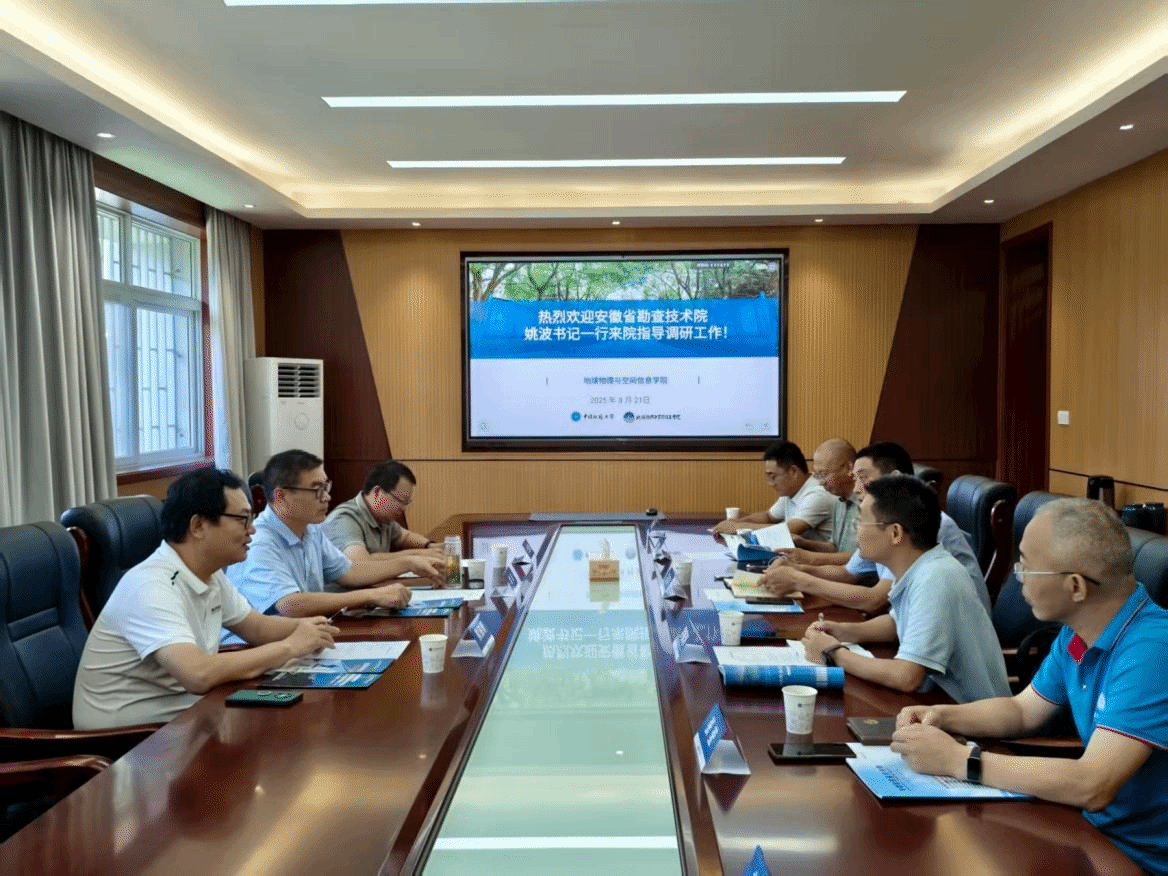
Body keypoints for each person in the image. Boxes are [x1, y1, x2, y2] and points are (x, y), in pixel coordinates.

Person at [891, 498, 1168, 875]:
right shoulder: (1077, 633)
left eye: (1026, 566)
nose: (1018, 577)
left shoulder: (1153, 650)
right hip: (1092, 833)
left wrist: (959, 760)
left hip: (1143, 858)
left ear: (1075, 586)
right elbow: (1023, 711)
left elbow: (1092, 785)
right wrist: (942, 715)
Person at [72, 467, 338, 730]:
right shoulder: (150, 586)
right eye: (242, 519)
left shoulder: (209, 574)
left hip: (183, 714)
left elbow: (257, 627)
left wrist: (309, 629)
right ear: (198, 526)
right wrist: (291, 646)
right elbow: (198, 674)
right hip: (129, 738)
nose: (252, 530)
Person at [800, 474, 1009, 704]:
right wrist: (844, 631)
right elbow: (898, 623)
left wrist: (833, 653)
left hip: (970, 716)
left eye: (860, 521)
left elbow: (906, 676)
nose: (856, 531)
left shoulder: (935, 578)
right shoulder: (921, 567)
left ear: (895, 533)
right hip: (936, 705)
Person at [760, 441, 988, 614]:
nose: (856, 489)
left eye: (863, 478)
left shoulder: (922, 524)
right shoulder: (888, 520)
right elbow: (848, 573)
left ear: (894, 477)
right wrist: (795, 568)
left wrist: (799, 579)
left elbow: (876, 599)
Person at [227, 450, 439, 619]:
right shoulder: (259, 542)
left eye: (326, 487)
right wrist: (371, 596)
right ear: (281, 496)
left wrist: (408, 563)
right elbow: (289, 604)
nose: (327, 497)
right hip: (249, 649)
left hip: (302, 636)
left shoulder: (310, 530)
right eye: (317, 490)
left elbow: (350, 571)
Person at [323, 460, 445, 563]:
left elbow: (404, 536)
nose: (403, 508)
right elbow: (361, 563)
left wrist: (430, 545)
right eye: (401, 501)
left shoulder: (383, 518)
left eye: (406, 503)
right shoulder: (345, 519)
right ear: (377, 492)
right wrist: (417, 555)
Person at [712, 440, 836, 540]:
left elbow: (789, 530)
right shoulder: (792, 492)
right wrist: (735, 522)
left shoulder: (817, 493)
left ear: (793, 471)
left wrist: (739, 527)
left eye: (773, 477)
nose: (770, 483)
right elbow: (768, 516)